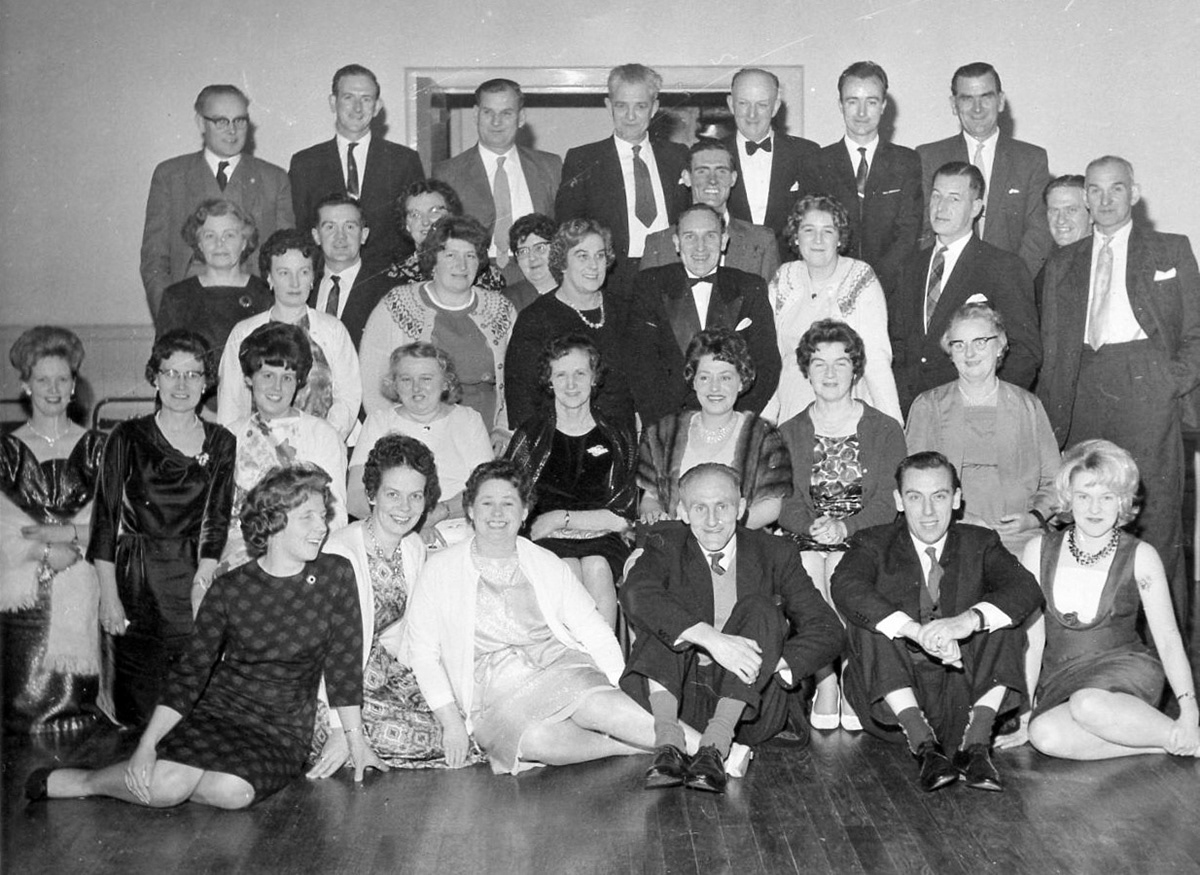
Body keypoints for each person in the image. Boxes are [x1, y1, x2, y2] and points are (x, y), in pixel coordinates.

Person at [30, 466, 383, 808]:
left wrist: (355, 740)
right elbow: (190, 674)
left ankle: (171, 777)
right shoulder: (230, 589)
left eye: (323, 516)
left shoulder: (336, 574)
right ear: (274, 521)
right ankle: (87, 782)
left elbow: (343, 667)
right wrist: (147, 745)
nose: (322, 528)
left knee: (233, 793)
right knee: (166, 788)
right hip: (219, 712)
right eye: (308, 517)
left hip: (282, 729)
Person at [404, 459, 692, 775]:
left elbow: (592, 627)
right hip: (490, 694)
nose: (497, 514)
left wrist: (616, 683)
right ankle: (636, 748)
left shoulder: (544, 561)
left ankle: (712, 750)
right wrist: (451, 724)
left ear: (525, 511)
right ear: (470, 510)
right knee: (537, 741)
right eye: (487, 503)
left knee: (601, 704)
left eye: (508, 503)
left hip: (557, 666)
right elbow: (423, 654)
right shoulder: (440, 569)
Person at [1038, 155, 1200, 627]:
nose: (1104, 199)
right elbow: (1052, 348)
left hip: (1147, 391)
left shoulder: (1171, 249)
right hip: (1084, 390)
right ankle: (1090, 638)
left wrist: (1167, 384)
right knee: (1085, 514)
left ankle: (1160, 660)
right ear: (1085, 197)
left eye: (1115, 189)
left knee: (1156, 522)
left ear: (1134, 192)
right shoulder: (1063, 262)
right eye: (1094, 190)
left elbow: (1196, 330)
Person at [621, 464, 845, 792]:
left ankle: (715, 747)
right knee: (664, 614)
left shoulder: (775, 552)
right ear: (682, 512)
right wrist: (713, 640)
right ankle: (668, 744)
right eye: (700, 508)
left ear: (740, 508)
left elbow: (828, 629)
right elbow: (635, 594)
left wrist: (770, 664)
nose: (712, 521)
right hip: (681, 696)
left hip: (750, 706)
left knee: (760, 608)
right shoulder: (665, 543)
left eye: (722, 507)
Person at [830, 452, 1043, 792]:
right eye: (915, 497)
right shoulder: (873, 542)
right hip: (894, 702)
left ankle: (976, 746)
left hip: (963, 696)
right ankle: (924, 747)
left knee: (1002, 617)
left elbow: (1025, 589)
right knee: (870, 622)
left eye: (939, 496)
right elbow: (845, 586)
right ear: (899, 501)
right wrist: (913, 630)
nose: (928, 512)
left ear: (957, 499)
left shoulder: (980, 542)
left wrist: (966, 621)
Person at [1004, 441, 1200, 760]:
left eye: (1106, 497)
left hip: (1126, 671)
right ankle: (1169, 742)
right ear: (1069, 499)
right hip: (1062, 677)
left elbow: (1167, 637)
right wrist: (1025, 712)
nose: (1094, 509)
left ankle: (1191, 736)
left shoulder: (1141, 555)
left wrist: (1189, 711)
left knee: (1088, 704)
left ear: (1122, 501)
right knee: (1043, 735)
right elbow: (1033, 640)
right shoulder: (1037, 550)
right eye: (1084, 496)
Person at [310, 434, 485, 773]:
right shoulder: (339, 552)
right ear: (372, 495)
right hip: (328, 689)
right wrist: (343, 731)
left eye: (415, 496)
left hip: (383, 672)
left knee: (465, 724)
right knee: (419, 737)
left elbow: (413, 638)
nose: (404, 508)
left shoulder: (414, 548)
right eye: (393, 494)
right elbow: (325, 649)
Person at [88, 330, 236, 726]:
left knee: (190, 703)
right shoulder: (126, 436)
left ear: (207, 383)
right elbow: (104, 521)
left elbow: (217, 519)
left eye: (193, 374)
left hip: (190, 577)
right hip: (135, 578)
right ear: (154, 377)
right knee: (138, 705)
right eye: (171, 372)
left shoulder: (222, 441)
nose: (181, 384)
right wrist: (108, 597)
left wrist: (202, 583)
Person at [776, 320, 907, 731]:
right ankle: (826, 678)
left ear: (856, 369)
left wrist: (845, 529)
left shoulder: (885, 429)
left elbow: (888, 503)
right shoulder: (787, 432)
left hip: (865, 536)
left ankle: (850, 676)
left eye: (841, 362)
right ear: (806, 371)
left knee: (841, 574)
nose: (830, 374)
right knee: (812, 570)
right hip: (806, 534)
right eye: (819, 364)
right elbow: (784, 501)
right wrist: (817, 526)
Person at [1, 328, 106, 733]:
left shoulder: (99, 447)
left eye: (62, 379)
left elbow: (109, 520)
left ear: (74, 386)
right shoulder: (5, 450)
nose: (53, 389)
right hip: (23, 589)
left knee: (81, 723)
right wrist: (46, 552)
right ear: (25, 385)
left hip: (83, 578)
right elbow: (5, 528)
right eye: (42, 380)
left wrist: (67, 538)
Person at [906, 302, 1059, 556]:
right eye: (959, 344)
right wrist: (954, 519)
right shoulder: (927, 406)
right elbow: (911, 484)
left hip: (1018, 535)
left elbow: (1055, 481)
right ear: (950, 352)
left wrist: (1033, 518)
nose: (969, 353)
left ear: (999, 346)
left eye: (980, 342)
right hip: (947, 532)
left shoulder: (1028, 406)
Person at [505, 334, 638, 627]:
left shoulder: (616, 434)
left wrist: (560, 519)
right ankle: (575, 664)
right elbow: (510, 496)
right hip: (544, 539)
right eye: (561, 375)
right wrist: (546, 525)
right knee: (565, 570)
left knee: (598, 567)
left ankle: (606, 666)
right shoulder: (532, 434)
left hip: (603, 538)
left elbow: (622, 516)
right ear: (549, 381)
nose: (571, 384)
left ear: (594, 378)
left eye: (580, 373)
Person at [890, 161, 1040, 414]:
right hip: (914, 411)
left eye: (954, 199)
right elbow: (898, 342)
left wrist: (988, 406)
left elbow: (1025, 353)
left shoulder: (1003, 266)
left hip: (975, 411)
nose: (941, 207)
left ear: (976, 208)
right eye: (936, 196)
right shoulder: (909, 267)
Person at [141, 84, 293, 320]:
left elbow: (285, 258)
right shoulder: (170, 176)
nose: (232, 130)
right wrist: (168, 317)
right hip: (186, 312)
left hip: (256, 313)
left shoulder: (274, 178)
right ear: (201, 123)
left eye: (240, 121)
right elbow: (155, 259)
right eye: (221, 121)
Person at [360, 215, 515, 439]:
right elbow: (373, 383)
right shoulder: (396, 304)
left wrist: (503, 430)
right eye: (451, 255)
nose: (461, 265)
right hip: (413, 435)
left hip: (487, 435)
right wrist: (396, 438)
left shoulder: (502, 309)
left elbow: (517, 384)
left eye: (470, 255)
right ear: (433, 259)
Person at [630, 204, 781, 425]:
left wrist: (735, 422)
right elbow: (640, 364)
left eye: (709, 236)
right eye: (690, 236)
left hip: (733, 422)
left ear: (723, 241)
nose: (700, 247)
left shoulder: (750, 287)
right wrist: (670, 428)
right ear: (676, 243)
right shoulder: (649, 285)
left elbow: (766, 365)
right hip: (669, 424)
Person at [764, 193, 901, 425]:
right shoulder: (784, 277)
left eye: (827, 231)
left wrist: (893, 424)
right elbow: (780, 359)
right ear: (796, 237)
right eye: (808, 230)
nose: (818, 240)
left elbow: (876, 359)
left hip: (843, 408)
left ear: (839, 239)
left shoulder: (859, 277)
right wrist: (765, 420)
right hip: (792, 408)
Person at [556, 64, 690, 297]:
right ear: (609, 106)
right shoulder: (583, 160)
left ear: (654, 107)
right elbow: (568, 231)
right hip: (612, 281)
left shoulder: (678, 156)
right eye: (621, 106)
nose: (630, 116)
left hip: (672, 274)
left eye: (640, 106)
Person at [222, 323, 347, 570]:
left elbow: (336, 516)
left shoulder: (322, 435)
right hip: (238, 558)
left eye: (287, 378)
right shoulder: (229, 436)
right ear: (249, 378)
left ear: (299, 381)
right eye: (267, 375)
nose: (277, 388)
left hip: (303, 557)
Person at [638, 329, 791, 529]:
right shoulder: (664, 434)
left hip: (740, 543)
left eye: (725, 378)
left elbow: (772, 505)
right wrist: (653, 514)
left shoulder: (763, 436)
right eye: (704, 377)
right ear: (693, 381)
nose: (714, 387)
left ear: (741, 381)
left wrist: (723, 530)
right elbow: (650, 498)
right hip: (676, 547)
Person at [218, 229, 362, 442]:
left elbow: (348, 399)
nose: (295, 283)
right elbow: (230, 407)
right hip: (259, 449)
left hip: (320, 447)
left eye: (303, 272)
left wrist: (322, 441)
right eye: (284, 273)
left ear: (313, 276)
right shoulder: (244, 333)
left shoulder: (332, 330)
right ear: (269, 277)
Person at [916, 62, 1053, 277]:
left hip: (1009, 283)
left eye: (986, 97)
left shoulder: (1031, 159)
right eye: (967, 99)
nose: (977, 108)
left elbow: (1039, 233)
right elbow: (923, 227)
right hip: (944, 282)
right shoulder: (929, 157)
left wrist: (1010, 281)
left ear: (1000, 101)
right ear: (954, 104)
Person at [350, 343, 493, 547]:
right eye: (406, 379)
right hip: (395, 532)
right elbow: (356, 498)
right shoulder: (379, 422)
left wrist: (438, 513)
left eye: (426, 378)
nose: (416, 388)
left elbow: (486, 489)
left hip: (462, 530)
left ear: (445, 383)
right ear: (394, 385)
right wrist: (409, 522)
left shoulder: (469, 419)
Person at [505, 218, 638, 435]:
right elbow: (522, 402)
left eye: (600, 255)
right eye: (582, 256)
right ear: (562, 262)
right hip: (558, 439)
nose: (594, 265)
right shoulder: (535, 319)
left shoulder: (624, 310)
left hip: (622, 437)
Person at [289, 64, 425, 272]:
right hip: (326, 279)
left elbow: (414, 227)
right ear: (333, 102)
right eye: (348, 97)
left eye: (366, 99)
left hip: (388, 280)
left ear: (377, 106)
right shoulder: (305, 163)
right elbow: (301, 230)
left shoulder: (404, 160)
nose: (357, 108)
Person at [815, 61, 923, 297]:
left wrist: (872, 283)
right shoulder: (818, 161)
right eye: (852, 101)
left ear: (883, 106)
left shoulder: (906, 161)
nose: (862, 113)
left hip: (891, 291)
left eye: (871, 102)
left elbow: (908, 233)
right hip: (831, 290)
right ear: (840, 105)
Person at [434, 78, 562, 276]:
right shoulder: (448, 173)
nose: (496, 122)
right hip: (473, 276)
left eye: (506, 113)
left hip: (537, 275)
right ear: (476, 114)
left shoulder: (550, 166)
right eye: (488, 112)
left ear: (521, 118)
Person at [640, 139, 781, 283]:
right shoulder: (658, 245)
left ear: (733, 179)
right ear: (687, 178)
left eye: (721, 171)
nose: (712, 180)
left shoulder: (761, 241)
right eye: (702, 171)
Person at [156, 198, 272, 358]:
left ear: (244, 242)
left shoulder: (265, 295)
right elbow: (165, 362)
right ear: (200, 244)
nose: (220, 243)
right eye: (210, 236)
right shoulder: (176, 297)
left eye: (229, 235)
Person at [721, 68, 821, 249]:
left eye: (762, 105)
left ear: (775, 107)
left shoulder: (807, 153)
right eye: (743, 103)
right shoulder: (713, 154)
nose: (752, 114)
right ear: (730, 104)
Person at [307, 193, 396, 350]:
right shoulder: (303, 288)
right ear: (316, 236)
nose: (340, 236)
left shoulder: (388, 291)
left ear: (364, 235)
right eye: (330, 227)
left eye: (349, 227)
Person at [385, 179, 506, 293]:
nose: (425, 222)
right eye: (415, 215)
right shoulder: (395, 276)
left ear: (451, 217)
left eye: (434, 211)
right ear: (406, 224)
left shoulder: (479, 271)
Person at [1036, 175, 1091, 311]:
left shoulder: (1102, 265)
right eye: (1054, 211)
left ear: (1092, 215)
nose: (1060, 220)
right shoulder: (1045, 264)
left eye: (1071, 210)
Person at [503, 213, 558, 311]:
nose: (532, 257)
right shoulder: (506, 301)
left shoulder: (576, 291)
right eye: (523, 251)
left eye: (539, 248)